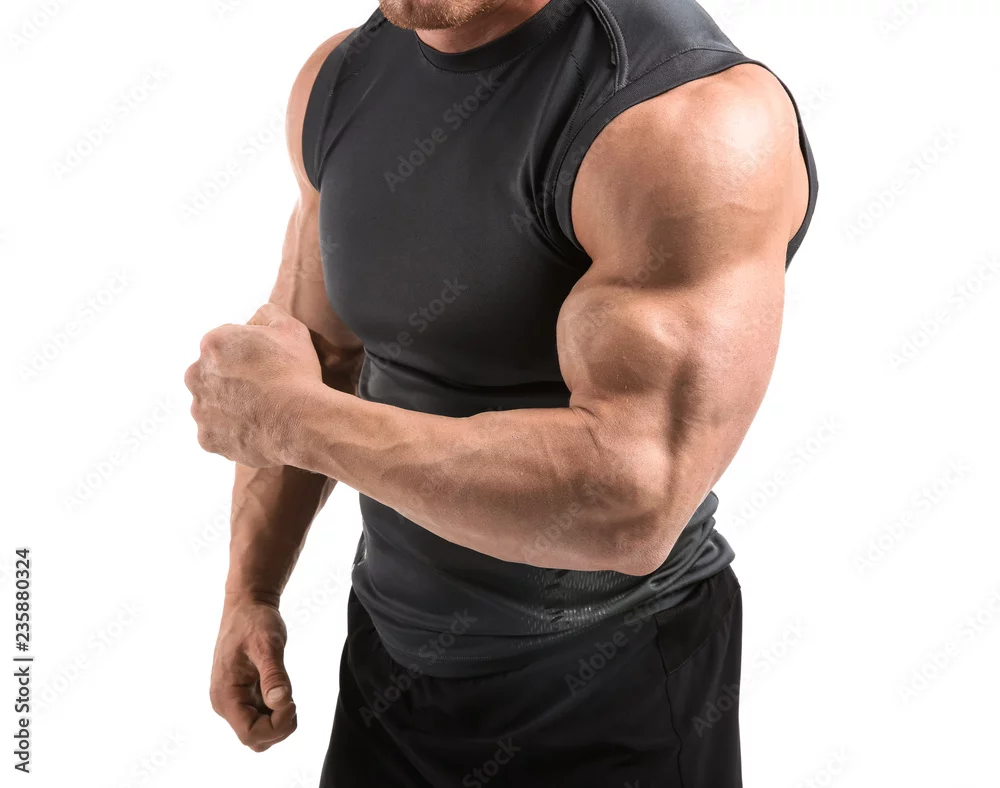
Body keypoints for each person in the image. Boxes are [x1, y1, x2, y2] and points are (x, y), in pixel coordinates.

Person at [185, 0, 817, 784]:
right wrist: (250, 591)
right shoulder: (340, 80)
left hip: (610, 685)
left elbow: (633, 499)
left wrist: (300, 423)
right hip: (390, 666)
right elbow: (309, 358)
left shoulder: (686, 119)